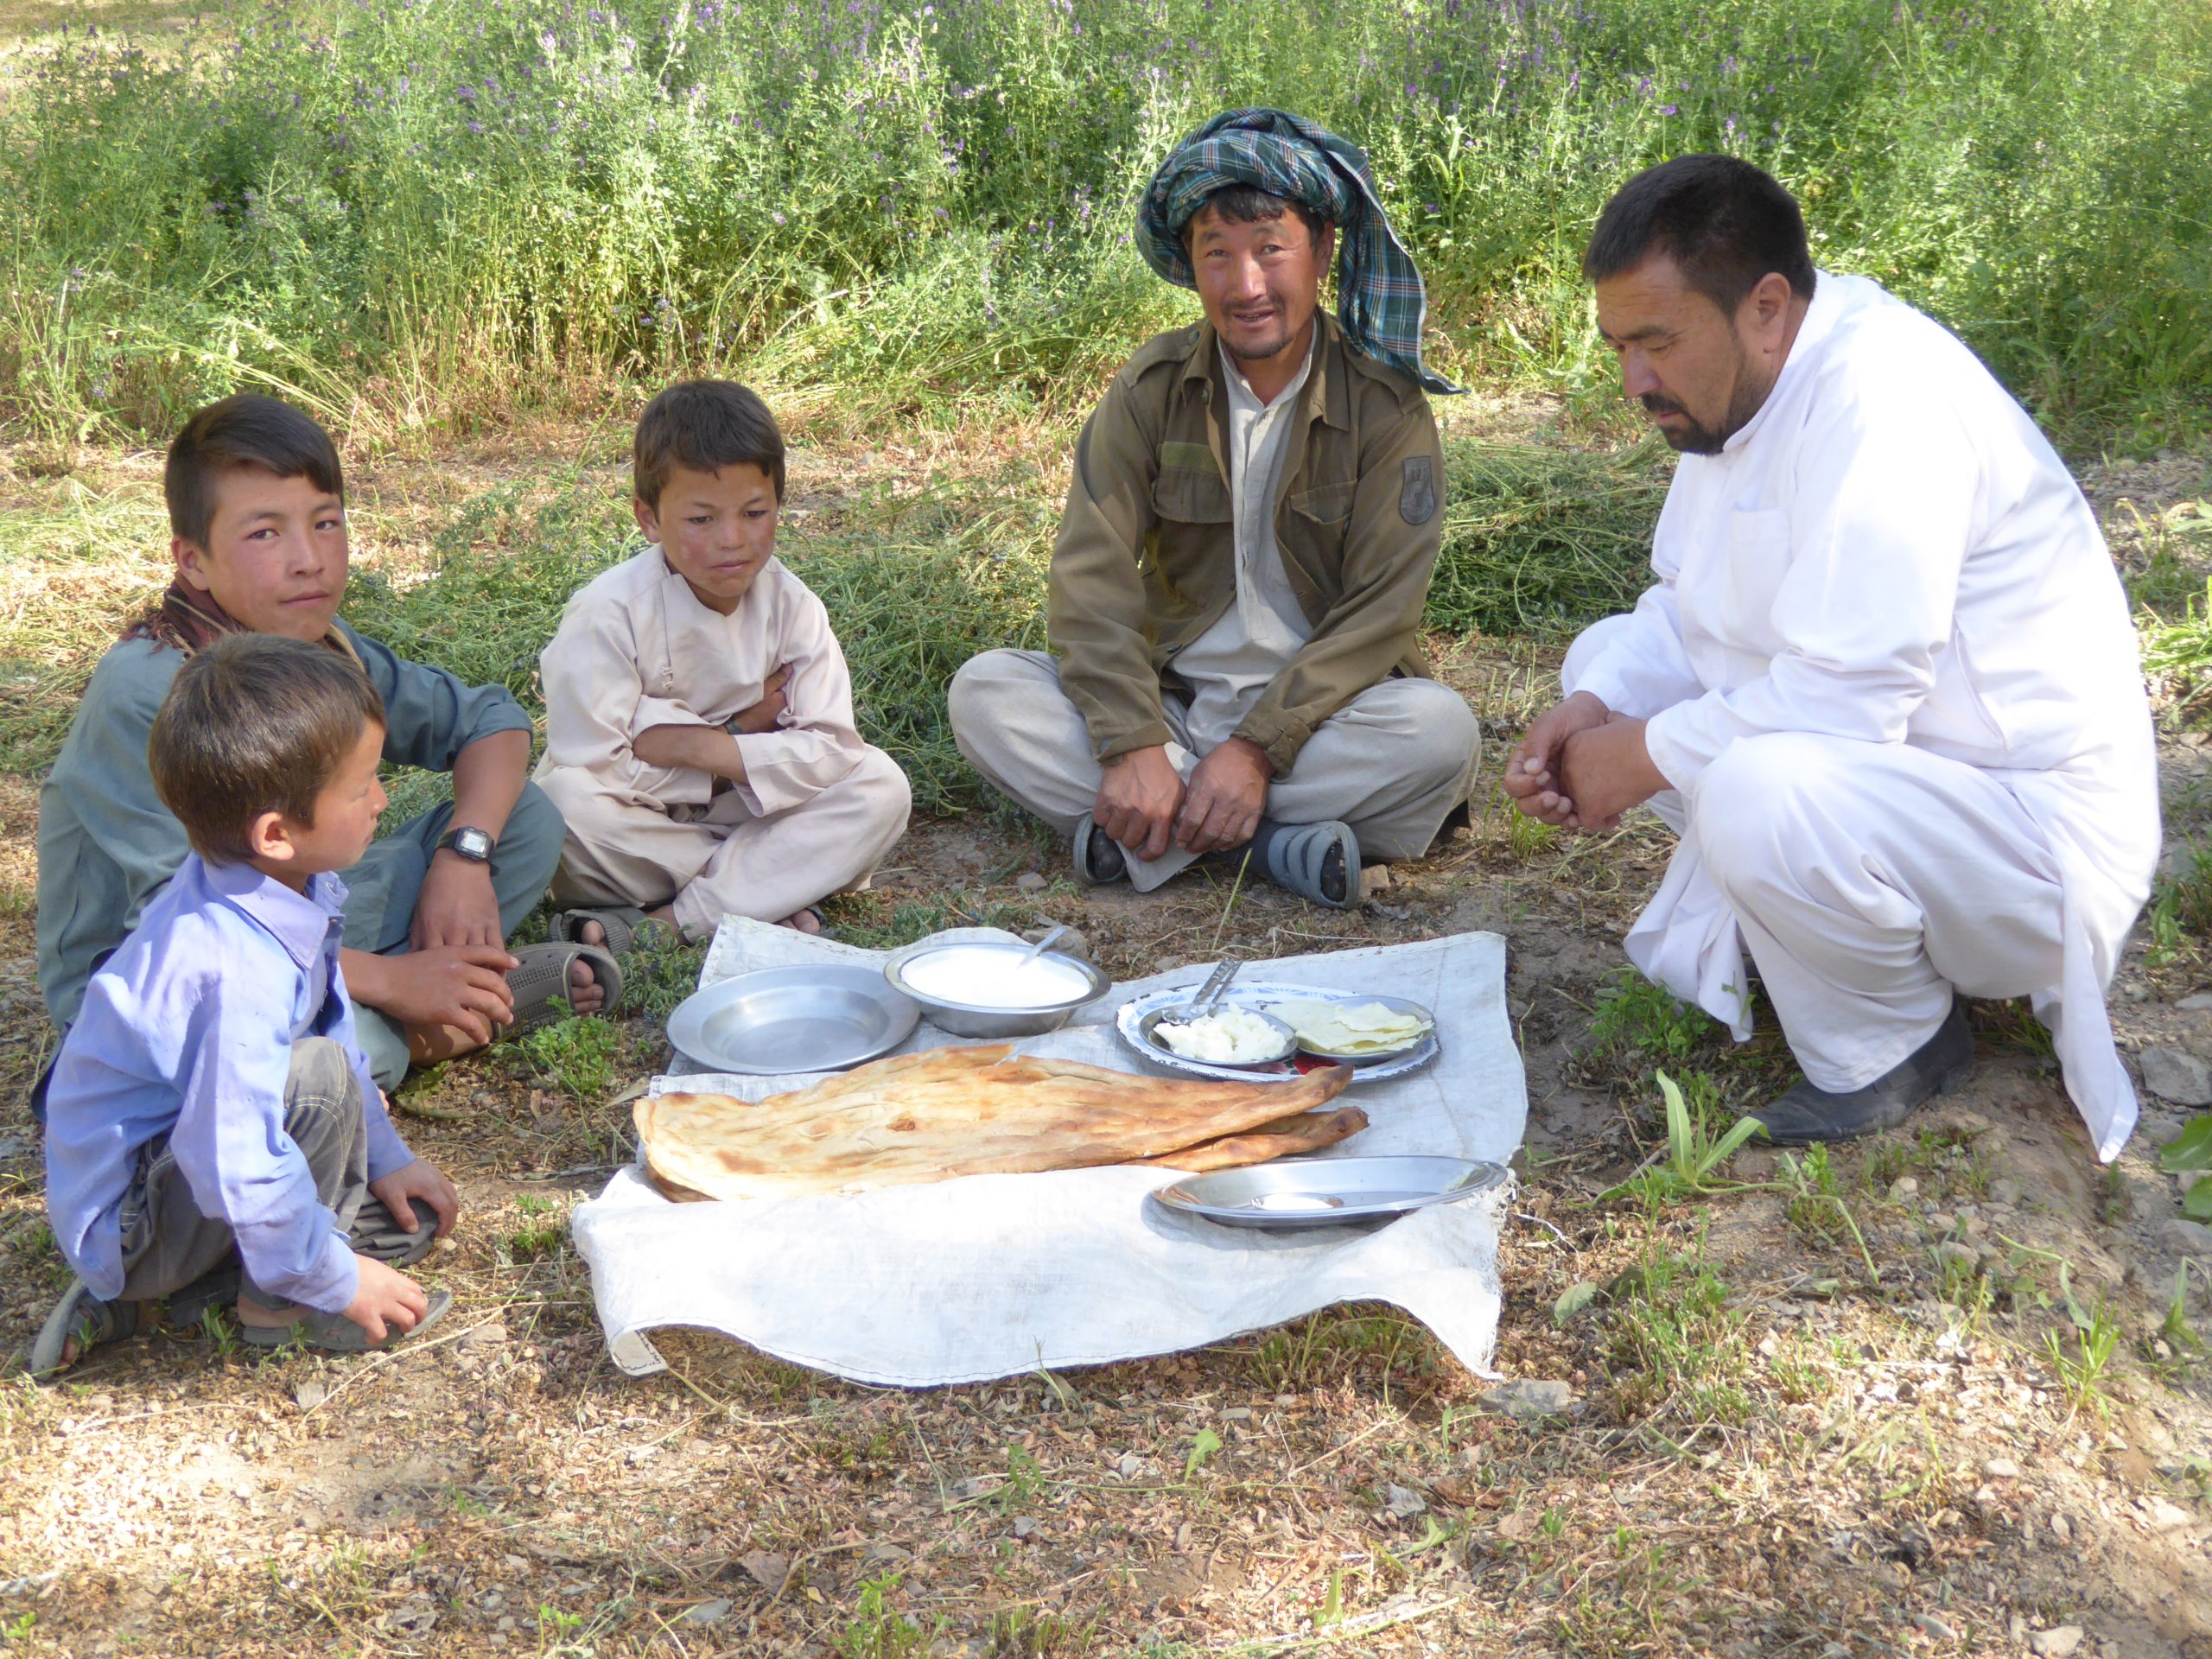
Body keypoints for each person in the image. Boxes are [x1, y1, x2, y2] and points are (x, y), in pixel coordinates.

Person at [1504, 156, 2158, 1155]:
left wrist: (1637, 757)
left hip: (2033, 838)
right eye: (1618, 347)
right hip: (1909, 791)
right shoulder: (1745, 390)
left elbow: (1843, 703)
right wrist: (1593, 709)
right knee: (1606, 660)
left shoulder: (1882, 400)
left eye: (1656, 343)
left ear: (1765, 307)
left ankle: (1892, 1044)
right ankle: (1842, 937)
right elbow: (1690, 609)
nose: (1635, 381)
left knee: (1757, 788)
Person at [949, 108, 1478, 909]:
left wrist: (1258, 752)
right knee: (985, 692)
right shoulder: (1151, 388)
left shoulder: (1385, 404)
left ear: (1323, 249)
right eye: (1218, 254)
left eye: (1271, 249)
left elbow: (1382, 613)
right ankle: (1272, 849)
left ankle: (1152, 836)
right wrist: (1132, 742)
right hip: (1174, 709)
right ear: (1189, 264)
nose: (1247, 285)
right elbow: (1090, 578)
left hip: (1319, 726)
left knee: (1440, 733)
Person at [36, 395, 620, 1103]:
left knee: (524, 816)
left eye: (326, 523)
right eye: (264, 534)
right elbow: (192, 933)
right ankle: (424, 1024)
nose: (308, 560)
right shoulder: (148, 691)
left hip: (307, 908)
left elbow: (491, 722)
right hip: (166, 972)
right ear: (192, 560)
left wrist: (462, 858)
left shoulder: (315, 644)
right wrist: (392, 981)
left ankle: (416, 993)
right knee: (286, 1071)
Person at [34, 636, 461, 1374]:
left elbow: (326, 1016)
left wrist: (387, 1156)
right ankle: (277, 1300)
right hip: (136, 1215)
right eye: (362, 788)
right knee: (319, 1080)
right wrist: (337, 1276)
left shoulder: (278, 882)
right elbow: (231, 1156)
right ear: (276, 833)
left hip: (177, 1166)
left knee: (339, 1094)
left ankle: (215, 1278)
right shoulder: (230, 966)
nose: (382, 800)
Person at [533, 379, 911, 947]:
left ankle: (674, 921)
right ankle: (770, 888)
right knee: (559, 810)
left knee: (882, 787)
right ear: (649, 519)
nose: (733, 540)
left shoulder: (794, 608)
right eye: (701, 520)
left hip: (748, 810)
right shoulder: (607, 613)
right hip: (640, 826)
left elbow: (833, 752)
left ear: (779, 504)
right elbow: (596, 767)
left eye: (754, 512)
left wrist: (707, 747)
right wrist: (743, 739)